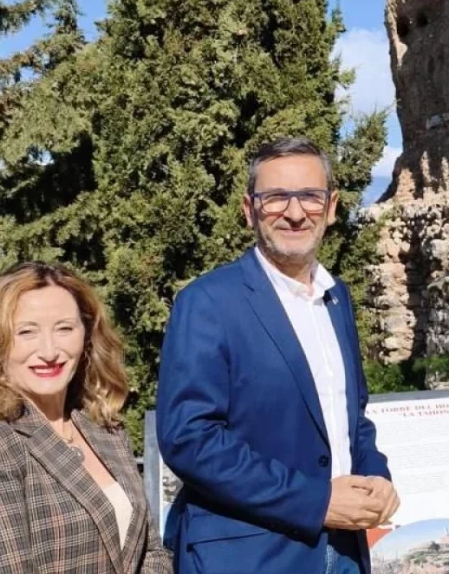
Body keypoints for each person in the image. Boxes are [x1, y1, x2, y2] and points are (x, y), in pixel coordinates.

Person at [156, 136, 399, 574]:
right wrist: (317, 502)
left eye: (309, 195)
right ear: (249, 209)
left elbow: (351, 417)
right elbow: (190, 439)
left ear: (331, 206)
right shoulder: (207, 302)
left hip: (344, 552)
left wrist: (378, 476)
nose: (293, 211)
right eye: (275, 198)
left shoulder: (335, 297)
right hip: (251, 556)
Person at [0, 262, 172, 573]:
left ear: (87, 335)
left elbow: (149, 551)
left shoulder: (107, 431)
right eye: (26, 331)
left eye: (64, 328)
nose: (49, 351)